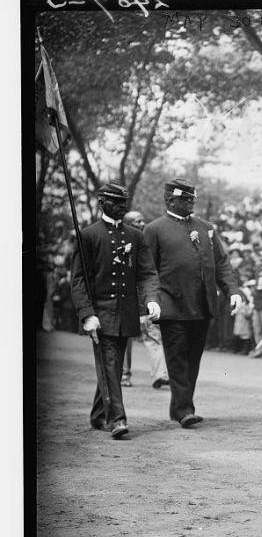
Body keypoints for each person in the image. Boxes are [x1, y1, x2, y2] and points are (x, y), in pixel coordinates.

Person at [143, 179, 242, 428]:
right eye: (184, 199)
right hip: (172, 305)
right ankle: (184, 409)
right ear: (170, 200)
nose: (190, 203)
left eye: (192, 199)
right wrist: (151, 300)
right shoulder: (154, 229)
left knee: (193, 358)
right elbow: (147, 270)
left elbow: (221, 263)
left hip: (202, 305)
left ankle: (181, 406)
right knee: (177, 357)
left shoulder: (206, 228)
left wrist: (232, 290)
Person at [70, 183, 161, 439]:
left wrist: (152, 299)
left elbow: (147, 272)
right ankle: (117, 419)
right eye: (116, 203)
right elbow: (78, 279)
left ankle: (98, 413)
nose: (121, 207)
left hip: (127, 313)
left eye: (124, 203)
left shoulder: (136, 235)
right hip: (99, 314)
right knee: (111, 363)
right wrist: (87, 314)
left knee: (113, 365)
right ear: (102, 203)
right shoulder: (88, 235)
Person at [120, 210, 169, 389]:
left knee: (153, 337)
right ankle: (124, 375)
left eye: (142, 221)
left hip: (147, 300)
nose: (141, 224)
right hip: (126, 301)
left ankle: (160, 375)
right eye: (136, 221)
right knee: (125, 340)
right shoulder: (120, 243)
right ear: (126, 224)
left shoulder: (148, 244)